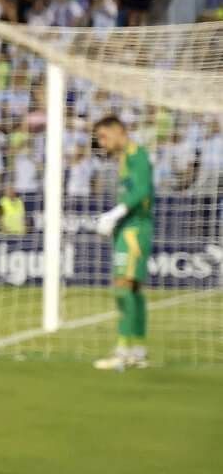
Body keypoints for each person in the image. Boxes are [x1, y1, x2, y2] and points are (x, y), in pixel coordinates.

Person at [92, 116, 154, 371]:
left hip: (133, 231)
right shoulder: (126, 158)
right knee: (134, 290)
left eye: (103, 137)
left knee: (122, 288)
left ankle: (122, 351)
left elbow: (142, 190)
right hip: (131, 229)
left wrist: (115, 214)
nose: (101, 143)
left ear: (118, 131)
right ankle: (138, 350)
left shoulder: (136, 155)